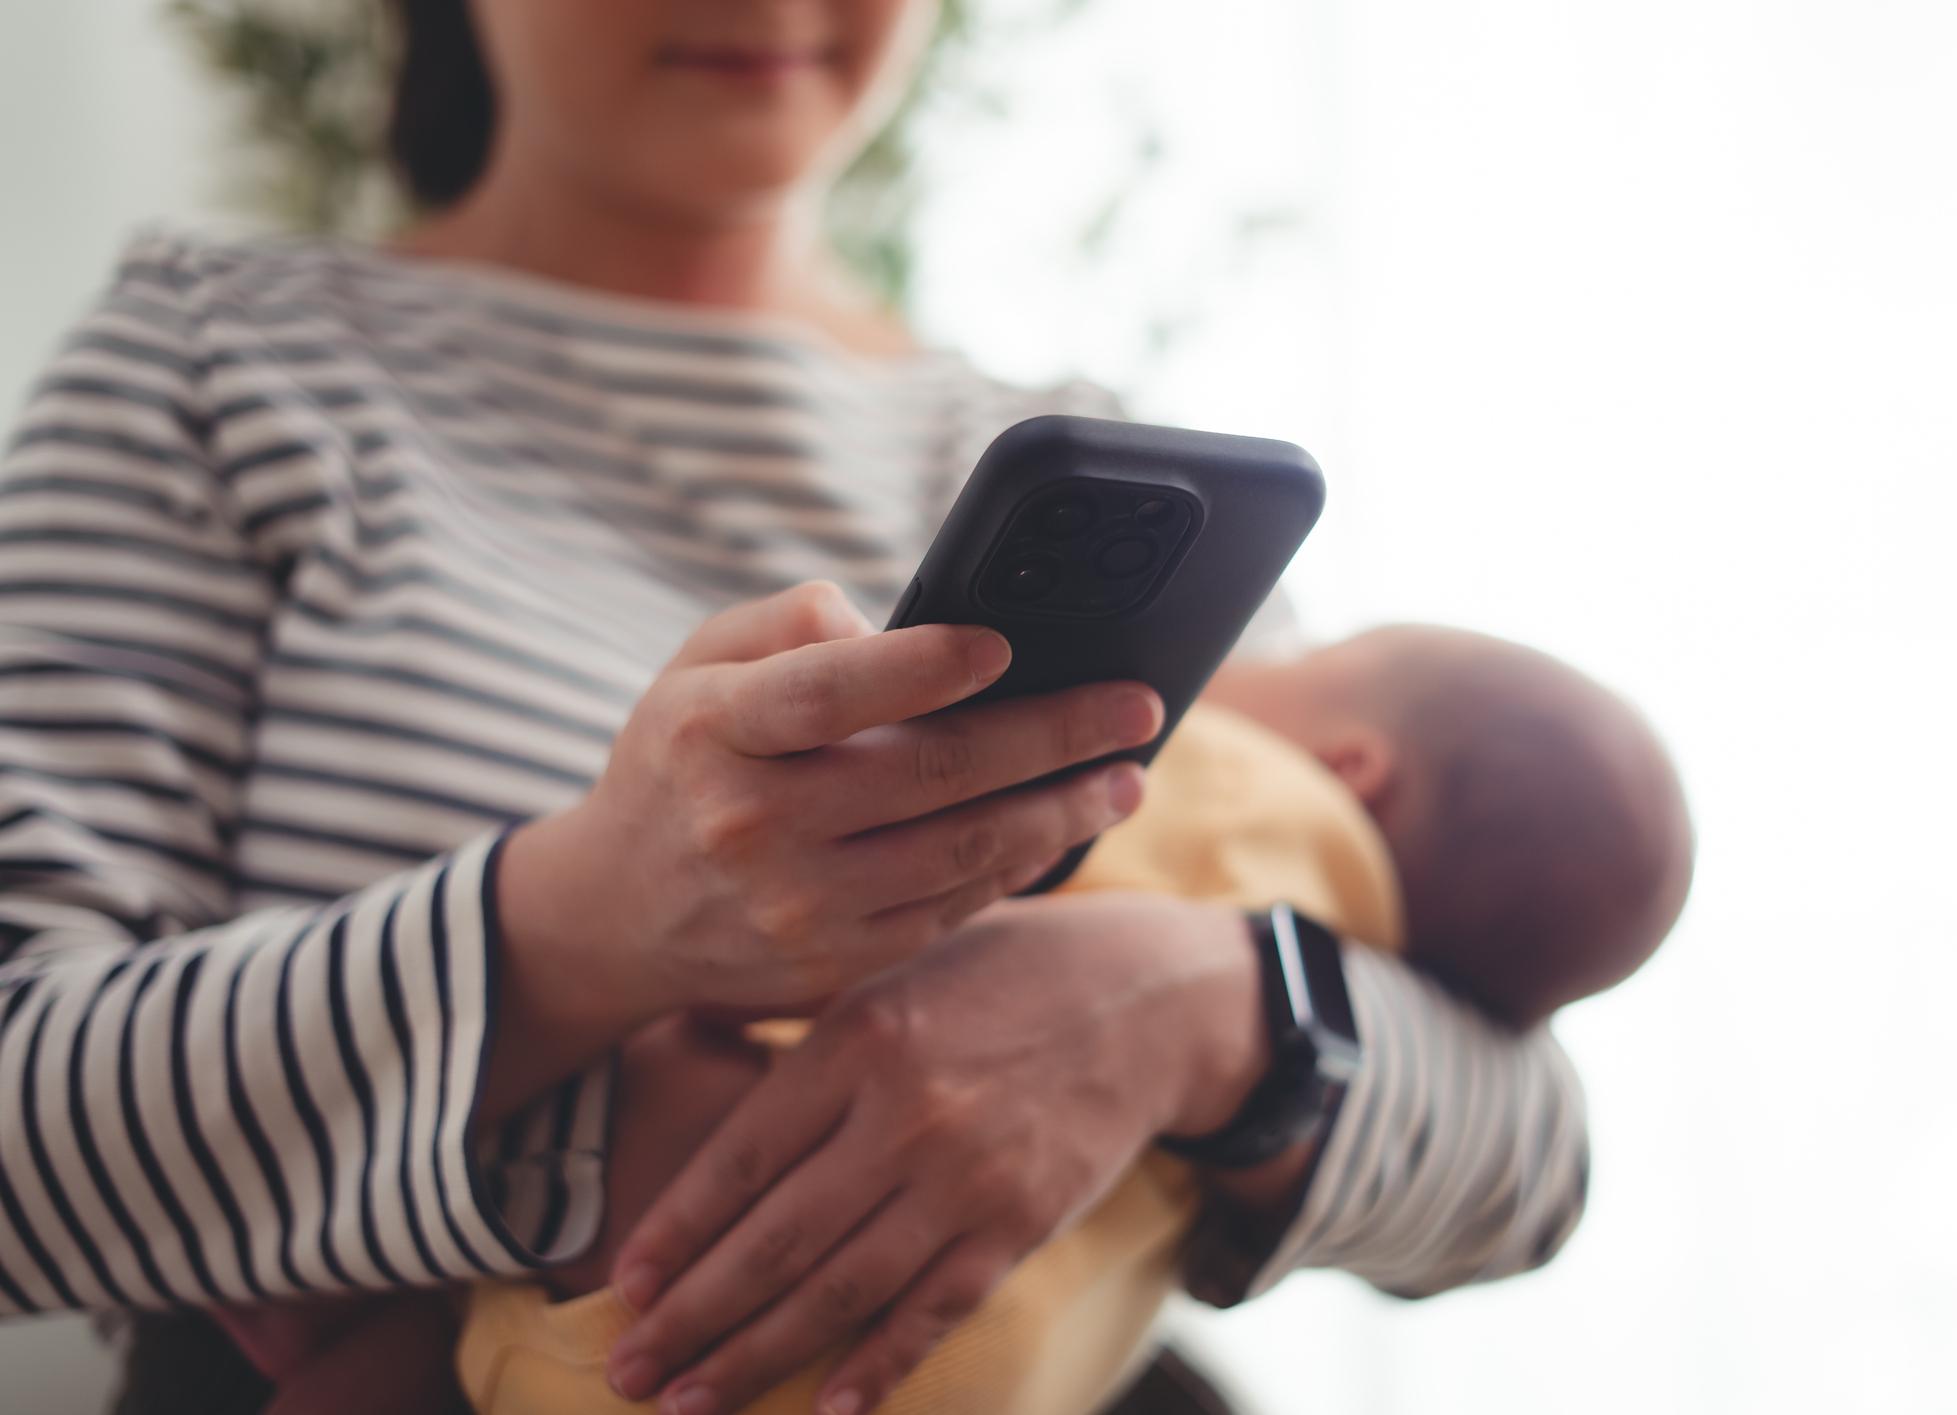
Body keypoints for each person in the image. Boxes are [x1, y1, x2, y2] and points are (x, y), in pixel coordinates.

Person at [0, 2, 1674, 1412]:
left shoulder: (1078, 467)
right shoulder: (216, 367)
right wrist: (581, 927)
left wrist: (1189, 1007)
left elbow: (1526, 1158)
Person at [434, 623, 1691, 1415]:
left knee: (656, 1080)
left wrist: (1219, 1007)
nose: (1248, 657)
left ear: (1355, 763)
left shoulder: (1236, 781)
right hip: (983, 1370)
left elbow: (1536, 1164)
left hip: (726, 1265)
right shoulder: (1375, 954)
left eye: (1297, 660)